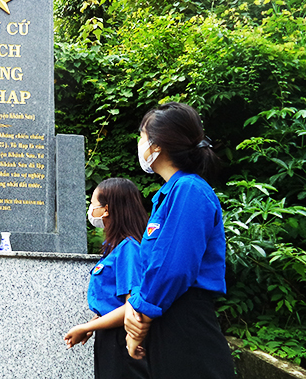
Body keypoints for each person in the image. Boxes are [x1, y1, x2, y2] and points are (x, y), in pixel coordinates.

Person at [124, 102, 235, 378]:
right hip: (169, 318)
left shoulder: (189, 190)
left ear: (158, 145)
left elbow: (172, 268)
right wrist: (136, 308)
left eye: (142, 136)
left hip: (186, 322)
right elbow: (151, 267)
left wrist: (139, 319)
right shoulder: (169, 194)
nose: (140, 143)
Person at [64, 177, 149, 379]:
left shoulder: (129, 249)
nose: (90, 210)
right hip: (110, 336)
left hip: (124, 338)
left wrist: (87, 326)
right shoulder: (115, 248)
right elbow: (114, 302)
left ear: (107, 209)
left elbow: (133, 308)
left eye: (93, 203)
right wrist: (96, 322)